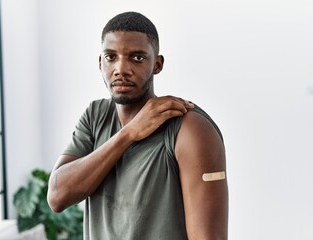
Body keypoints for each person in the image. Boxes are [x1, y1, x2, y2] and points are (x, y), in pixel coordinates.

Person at [47, 11, 228, 240]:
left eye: (137, 57)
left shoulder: (190, 128)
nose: (121, 69)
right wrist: (129, 133)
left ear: (157, 64)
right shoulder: (95, 116)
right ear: (100, 62)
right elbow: (57, 196)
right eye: (111, 57)